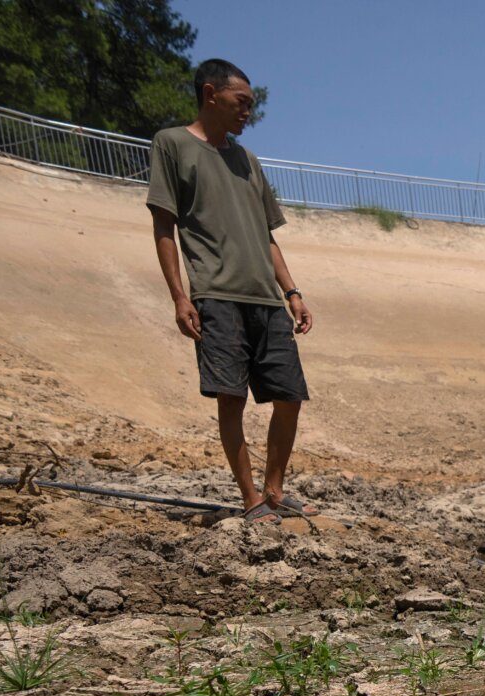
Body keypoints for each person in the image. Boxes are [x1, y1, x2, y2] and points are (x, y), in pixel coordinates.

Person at [148, 57, 317, 523]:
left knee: (289, 397)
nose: (249, 112)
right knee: (231, 398)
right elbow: (164, 224)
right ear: (210, 94)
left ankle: (276, 489)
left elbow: (267, 235)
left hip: (266, 298)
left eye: (252, 104)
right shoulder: (172, 144)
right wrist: (180, 296)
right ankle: (250, 500)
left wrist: (293, 292)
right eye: (242, 102)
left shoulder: (248, 160)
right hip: (216, 295)